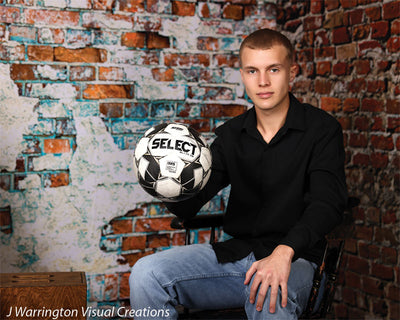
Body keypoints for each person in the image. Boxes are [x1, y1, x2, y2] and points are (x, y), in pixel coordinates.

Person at [129, 28, 347, 320]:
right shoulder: (231, 136)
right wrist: (162, 175)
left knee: (269, 296)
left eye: (273, 69)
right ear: (243, 75)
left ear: (292, 72)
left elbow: (327, 204)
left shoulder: (322, 130)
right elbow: (191, 201)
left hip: (294, 260)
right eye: (252, 71)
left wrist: (284, 252)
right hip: (236, 258)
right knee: (147, 273)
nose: (263, 81)